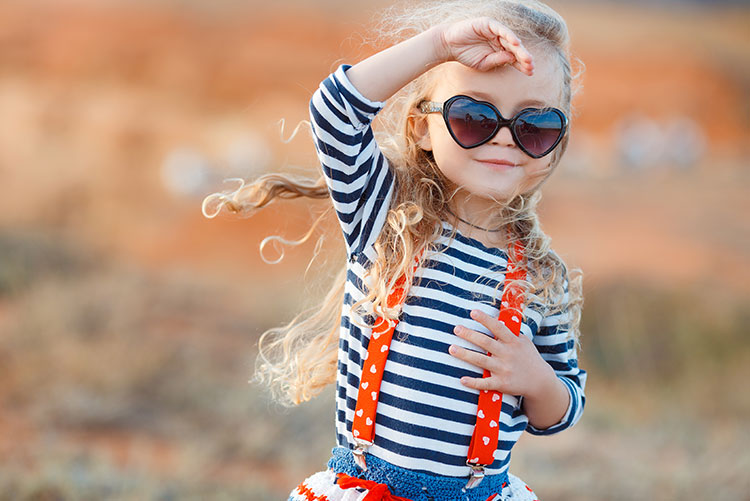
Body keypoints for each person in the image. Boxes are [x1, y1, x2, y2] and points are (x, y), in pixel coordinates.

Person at [202, 1, 587, 499]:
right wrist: (440, 46)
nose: (505, 139)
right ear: (423, 127)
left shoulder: (540, 278)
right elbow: (334, 112)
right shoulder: (384, 218)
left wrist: (536, 379)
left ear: (556, 143)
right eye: (473, 115)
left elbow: (564, 406)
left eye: (535, 125)